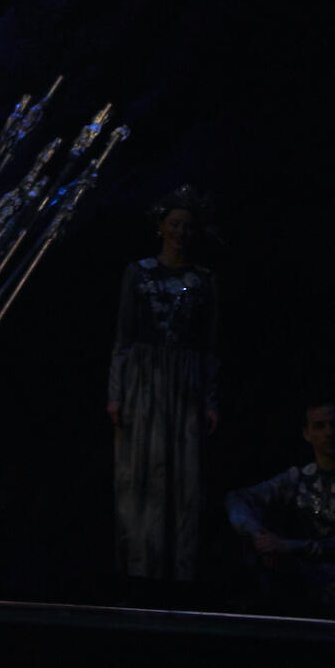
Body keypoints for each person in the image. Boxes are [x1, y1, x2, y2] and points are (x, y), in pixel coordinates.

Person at [107, 184, 220, 598]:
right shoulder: (138, 273)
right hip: (144, 377)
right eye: (174, 224)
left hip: (185, 379)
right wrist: (116, 392)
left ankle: (181, 574)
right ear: (161, 226)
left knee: (184, 475)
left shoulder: (204, 280)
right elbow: (123, 336)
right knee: (141, 470)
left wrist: (210, 398)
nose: (180, 232)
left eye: (187, 226)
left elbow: (210, 345)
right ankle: (140, 569)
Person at [225, 400, 335, 616]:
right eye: (319, 426)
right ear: (307, 434)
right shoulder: (298, 476)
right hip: (303, 575)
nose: (329, 433)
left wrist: (288, 546)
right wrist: (259, 536)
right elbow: (238, 498)